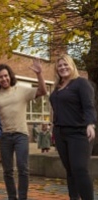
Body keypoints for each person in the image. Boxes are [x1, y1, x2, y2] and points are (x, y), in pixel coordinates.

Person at [0, 58, 47, 200]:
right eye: (0, 77)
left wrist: (39, 74)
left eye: (6, 75)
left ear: (10, 76)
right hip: (4, 136)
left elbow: (43, 91)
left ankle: (22, 197)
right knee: (7, 171)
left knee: (23, 169)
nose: (4, 79)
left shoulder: (21, 90)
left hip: (21, 134)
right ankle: (12, 197)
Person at [49, 54, 96, 200]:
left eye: (65, 64)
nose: (62, 68)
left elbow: (89, 106)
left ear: (72, 65)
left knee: (79, 170)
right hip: (61, 133)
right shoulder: (57, 88)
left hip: (78, 132)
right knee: (70, 171)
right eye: (59, 66)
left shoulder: (81, 83)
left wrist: (90, 124)